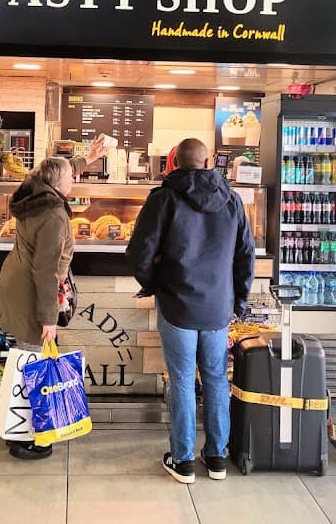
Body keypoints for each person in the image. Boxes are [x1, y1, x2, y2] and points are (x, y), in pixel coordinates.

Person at [126, 137, 256, 484]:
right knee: (215, 379)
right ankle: (216, 458)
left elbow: (138, 253)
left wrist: (153, 282)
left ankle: (183, 461)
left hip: (177, 304)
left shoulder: (163, 198)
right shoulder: (232, 200)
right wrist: (238, 301)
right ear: (208, 160)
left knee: (182, 380)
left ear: (174, 162)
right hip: (217, 307)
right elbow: (246, 256)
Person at [0, 135, 107, 461]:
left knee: (27, 361)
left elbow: (53, 170)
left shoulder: (35, 195)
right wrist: (48, 319)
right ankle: (30, 438)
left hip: (16, 284)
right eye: (72, 178)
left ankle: (20, 431)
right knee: (35, 365)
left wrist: (86, 160)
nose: (75, 179)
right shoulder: (55, 215)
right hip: (32, 294)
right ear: (59, 184)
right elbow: (46, 272)